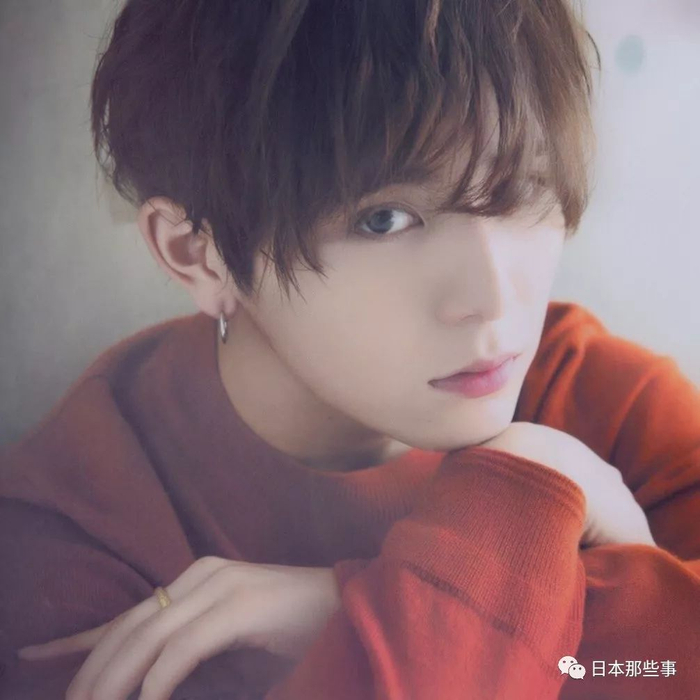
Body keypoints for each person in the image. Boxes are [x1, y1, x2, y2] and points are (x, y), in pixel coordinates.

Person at [1, 0, 699, 698]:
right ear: (199, 256)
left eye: (520, 188)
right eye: (385, 219)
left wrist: (354, 606)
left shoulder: (603, 399)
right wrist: (524, 495)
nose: (492, 299)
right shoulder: (71, 539)